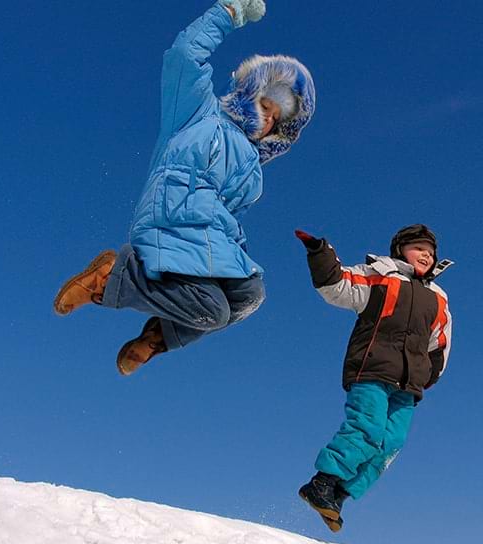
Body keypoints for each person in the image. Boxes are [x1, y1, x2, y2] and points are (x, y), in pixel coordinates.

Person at [53, 0, 315, 375]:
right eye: (266, 105)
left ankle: (160, 332)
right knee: (213, 310)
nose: (267, 119)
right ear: (249, 92)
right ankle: (112, 278)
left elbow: (231, 218)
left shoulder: (252, 170)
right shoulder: (198, 111)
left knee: (251, 294)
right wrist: (230, 13)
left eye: (276, 119)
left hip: (213, 244)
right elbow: (184, 56)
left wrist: (236, 252)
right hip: (173, 223)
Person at [294, 225, 453, 532]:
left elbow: (440, 343)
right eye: (419, 248)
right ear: (400, 250)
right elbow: (338, 286)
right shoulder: (380, 275)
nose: (426, 255)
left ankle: (339, 493)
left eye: (431, 252)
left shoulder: (439, 297)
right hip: (373, 370)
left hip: (408, 386)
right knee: (367, 428)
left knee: (391, 441)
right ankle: (323, 481)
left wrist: (427, 375)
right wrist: (320, 254)